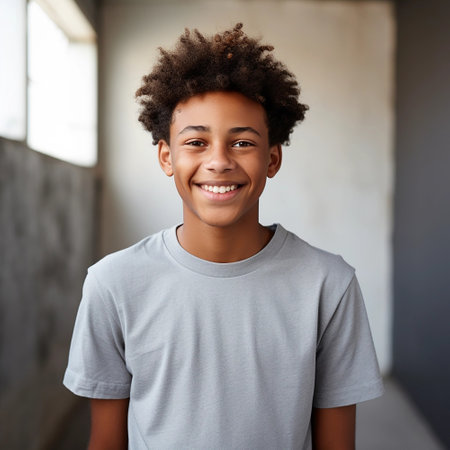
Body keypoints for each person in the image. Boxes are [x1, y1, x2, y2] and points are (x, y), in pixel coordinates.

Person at [63, 23, 384, 449]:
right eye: (195, 142)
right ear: (166, 156)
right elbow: (106, 440)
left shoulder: (329, 285)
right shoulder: (113, 284)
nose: (218, 162)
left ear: (272, 158)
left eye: (243, 143)